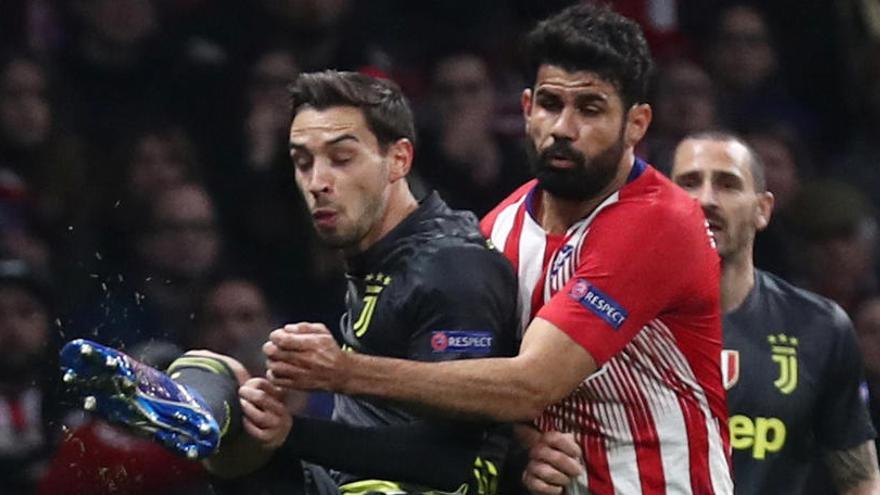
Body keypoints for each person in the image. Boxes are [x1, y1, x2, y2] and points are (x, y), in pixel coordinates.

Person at [265, 5, 732, 494]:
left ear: (636, 123)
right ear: (526, 107)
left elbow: (530, 386)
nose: (563, 128)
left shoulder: (660, 222)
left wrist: (343, 371)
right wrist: (525, 444)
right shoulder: (501, 225)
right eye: (551, 104)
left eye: (590, 109)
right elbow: (481, 392)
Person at [60, 70, 519, 494]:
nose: (317, 181)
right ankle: (194, 411)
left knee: (248, 428)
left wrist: (293, 431)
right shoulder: (380, 256)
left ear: (398, 159)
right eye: (303, 162)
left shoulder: (450, 268)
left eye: (341, 158)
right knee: (224, 383)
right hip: (347, 480)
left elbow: (460, 464)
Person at [669, 132, 879, 494]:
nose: (705, 199)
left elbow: (858, 478)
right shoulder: (618, 319)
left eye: (727, 184)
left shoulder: (821, 328)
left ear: (762, 209)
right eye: (689, 183)